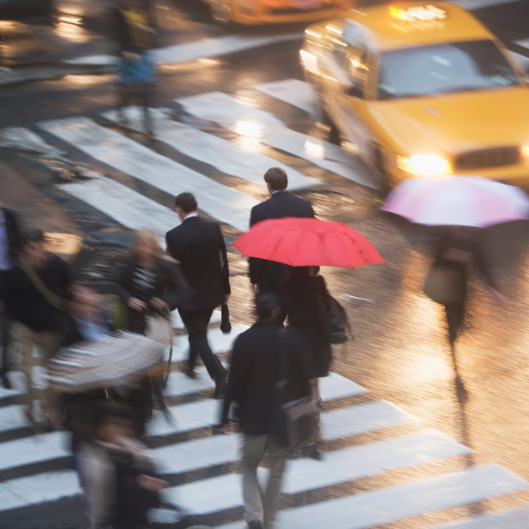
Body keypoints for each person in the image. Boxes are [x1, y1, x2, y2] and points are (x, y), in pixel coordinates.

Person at [220, 292, 311, 529]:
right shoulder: (289, 338)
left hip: (251, 417)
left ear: (254, 312)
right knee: (277, 470)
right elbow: (302, 379)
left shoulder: (243, 340)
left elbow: (233, 383)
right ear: (276, 311)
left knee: (248, 465)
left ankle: (253, 516)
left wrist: (223, 417)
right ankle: (268, 519)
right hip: (280, 418)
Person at [165, 193, 230, 398]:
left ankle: (219, 375)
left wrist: (168, 298)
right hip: (213, 293)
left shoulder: (174, 235)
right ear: (197, 206)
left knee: (197, 334)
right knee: (198, 331)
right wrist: (226, 289)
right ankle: (191, 364)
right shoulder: (213, 229)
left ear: (179, 210)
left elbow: (171, 270)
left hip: (188, 297)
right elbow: (223, 261)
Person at [8, 229, 73, 430]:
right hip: (25, 327)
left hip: (51, 328)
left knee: (53, 373)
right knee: (26, 372)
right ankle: (29, 412)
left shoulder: (59, 266)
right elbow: (9, 300)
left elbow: (69, 293)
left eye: (37, 247)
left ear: (44, 246)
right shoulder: (18, 270)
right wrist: (16, 320)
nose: (34, 252)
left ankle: (51, 415)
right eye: (29, 248)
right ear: (25, 249)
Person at [426, 226, 507, 388]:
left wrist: (493, 289)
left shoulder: (472, 238)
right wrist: (454, 256)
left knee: (461, 324)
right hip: (446, 285)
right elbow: (436, 258)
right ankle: (453, 357)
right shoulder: (446, 234)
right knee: (452, 324)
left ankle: (453, 338)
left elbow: (481, 263)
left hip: (462, 287)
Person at [79, 401, 166, 529]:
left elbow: (152, 472)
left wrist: (152, 482)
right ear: (100, 428)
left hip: (141, 516)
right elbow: (99, 499)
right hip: (120, 520)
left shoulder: (134, 447)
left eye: (126, 426)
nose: (124, 430)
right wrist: (100, 522)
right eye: (117, 425)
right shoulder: (97, 460)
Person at [281, 266, 332, 459]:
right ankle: (312, 439)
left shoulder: (287, 288)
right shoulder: (319, 283)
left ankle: (303, 440)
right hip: (319, 345)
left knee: (300, 393)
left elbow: (280, 316)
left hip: (299, 347)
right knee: (313, 391)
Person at [249, 167, 315, 301]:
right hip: (299, 274)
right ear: (286, 184)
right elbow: (312, 239)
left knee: (274, 318)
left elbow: (256, 248)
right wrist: (313, 270)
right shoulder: (305, 206)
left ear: (268, 185)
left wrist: (254, 278)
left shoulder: (259, 211)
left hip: (271, 277)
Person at [117, 229, 191, 336]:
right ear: (136, 246)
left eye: (149, 246)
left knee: (155, 350)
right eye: (142, 245)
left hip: (157, 318)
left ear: (154, 246)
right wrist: (129, 299)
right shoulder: (129, 263)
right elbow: (119, 285)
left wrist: (165, 300)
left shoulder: (167, 266)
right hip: (135, 318)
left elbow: (184, 290)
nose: (145, 250)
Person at [115, 0, 157, 137]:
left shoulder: (146, 10)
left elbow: (153, 27)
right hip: (128, 55)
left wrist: (150, 30)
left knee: (145, 90)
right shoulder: (120, 13)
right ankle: (122, 112)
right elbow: (118, 37)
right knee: (127, 88)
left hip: (144, 54)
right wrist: (124, 52)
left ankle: (148, 126)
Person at [0, 193, 21, 389]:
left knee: (7, 325)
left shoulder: (11, 218)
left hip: (7, 276)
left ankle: (4, 370)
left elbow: (19, 246)